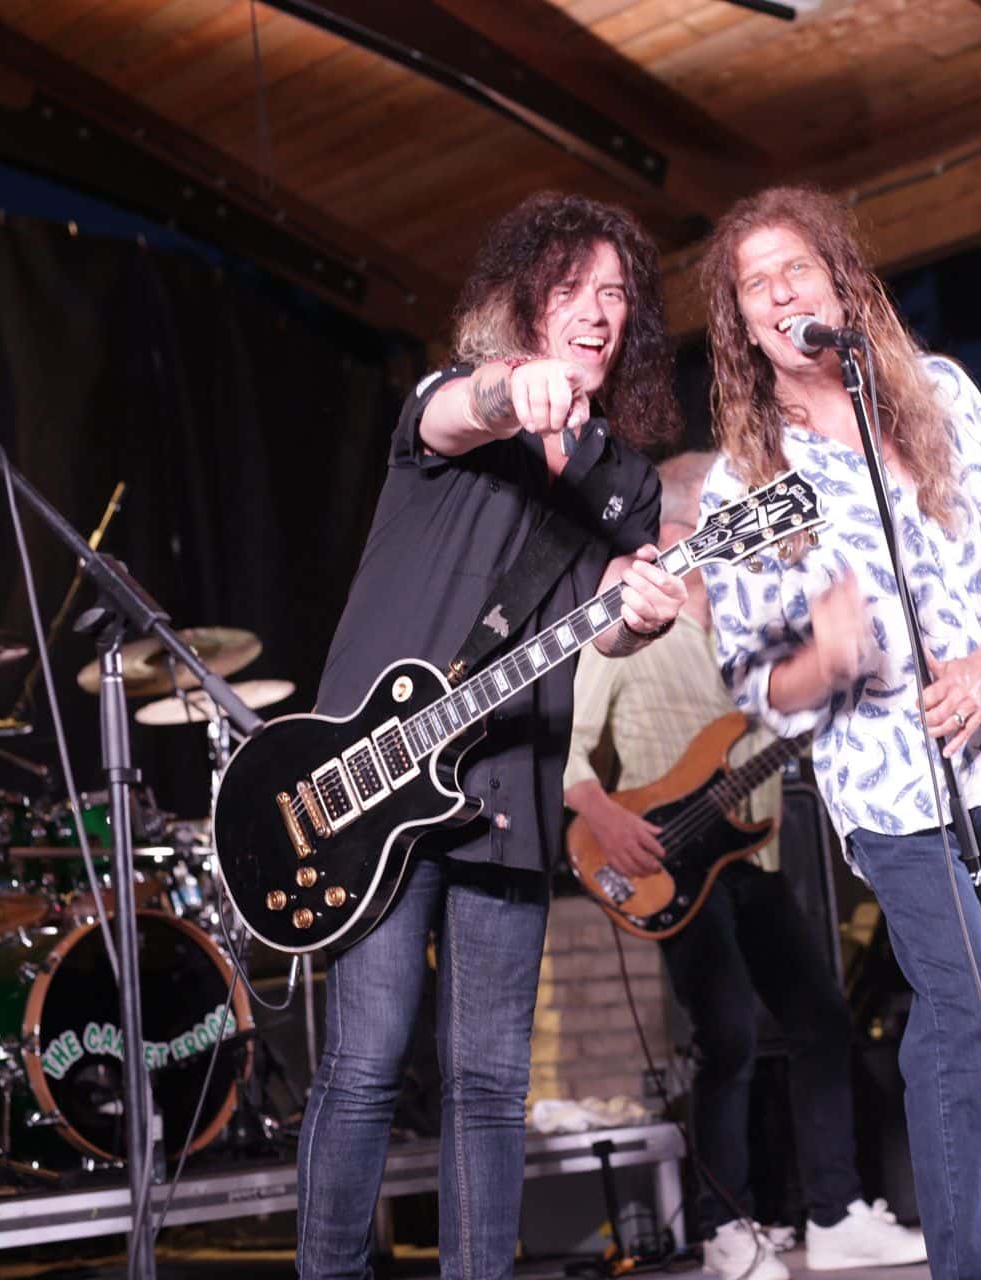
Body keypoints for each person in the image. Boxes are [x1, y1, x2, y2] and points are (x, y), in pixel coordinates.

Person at [694, 185, 981, 1280]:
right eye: (754, 283)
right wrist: (826, 655)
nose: (781, 292)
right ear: (740, 325)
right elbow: (756, 677)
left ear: (840, 284)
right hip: (890, 787)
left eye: (797, 270)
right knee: (964, 1018)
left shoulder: (941, 396)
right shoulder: (749, 483)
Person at [295, 192, 688, 1280]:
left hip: (510, 777)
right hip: (370, 782)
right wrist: (516, 388)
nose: (599, 313)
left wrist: (634, 607)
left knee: (486, 1081)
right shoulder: (450, 404)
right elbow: (454, 412)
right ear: (522, 302)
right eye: (572, 290)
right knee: (366, 1063)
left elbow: (599, 621)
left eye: (616, 295)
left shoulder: (627, 483)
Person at [564, 451, 925, 1279]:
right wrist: (611, 820)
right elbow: (571, 764)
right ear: (694, 525)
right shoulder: (626, 631)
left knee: (822, 1020)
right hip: (665, 867)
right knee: (724, 1037)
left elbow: (775, 726)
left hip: (749, 859)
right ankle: (727, 1230)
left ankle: (833, 1216)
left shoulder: (747, 630)